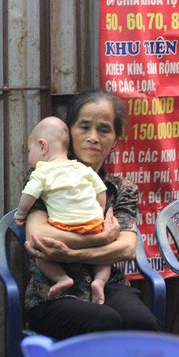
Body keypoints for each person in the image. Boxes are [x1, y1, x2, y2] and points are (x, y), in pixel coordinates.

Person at [23, 89, 162, 340]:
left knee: (142, 324)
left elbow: (127, 248)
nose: (93, 137)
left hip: (107, 284)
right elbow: (38, 234)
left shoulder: (121, 189)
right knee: (103, 320)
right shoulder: (44, 176)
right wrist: (102, 238)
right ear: (70, 132)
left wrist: (74, 253)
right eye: (84, 127)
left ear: (116, 139)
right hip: (53, 290)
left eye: (104, 130)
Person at [15, 116, 110, 304]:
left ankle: (62, 278)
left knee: (40, 253)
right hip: (94, 224)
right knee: (104, 256)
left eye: (28, 151)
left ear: (43, 147)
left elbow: (29, 196)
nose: (28, 157)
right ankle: (99, 282)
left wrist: (21, 214)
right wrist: (100, 209)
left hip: (64, 228)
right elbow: (101, 190)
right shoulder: (82, 168)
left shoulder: (41, 172)